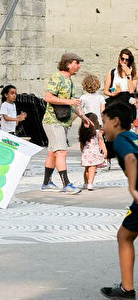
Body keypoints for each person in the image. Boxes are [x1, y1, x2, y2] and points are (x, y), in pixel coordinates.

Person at [100, 101, 138, 299]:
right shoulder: (134, 136)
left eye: (104, 121)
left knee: (124, 236)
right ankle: (126, 288)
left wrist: (132, 187)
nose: (102, 127)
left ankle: (127, 289)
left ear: (115, 121)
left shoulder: (121, 139)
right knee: (125, 235)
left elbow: (131, 159)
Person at [41, 52, 91, 194]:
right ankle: (66, 184)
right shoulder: (57, 77)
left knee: (52, 152)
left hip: (62, 121)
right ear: (68, 63)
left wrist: (82, 116)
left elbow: (73, 103)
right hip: (53, 121)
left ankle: (46, 183)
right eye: (77, 62)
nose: (79, 66)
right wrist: (69, 101)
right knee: (61, 152)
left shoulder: (69, 80)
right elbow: (48, 97)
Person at [81, 112, 108, 191]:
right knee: (92, 168)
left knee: (86, 169)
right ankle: (90, 184)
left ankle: (85, 183)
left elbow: (81, 144)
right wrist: (105, 151)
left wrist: (82, 152)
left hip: (86, 153)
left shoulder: (83, 132)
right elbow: (101, 142)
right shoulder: (97, 132)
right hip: (94, 153)